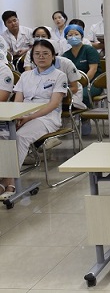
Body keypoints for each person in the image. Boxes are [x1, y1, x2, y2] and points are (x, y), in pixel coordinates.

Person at [0, 40, 68, 201]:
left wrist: (29, 117)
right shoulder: (25, 75)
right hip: (23, 115)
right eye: (37, 54)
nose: (41, 57)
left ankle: (9, 181)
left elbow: (53, 104)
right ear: (32, 57)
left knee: (20, 137)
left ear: (53, 56)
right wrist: (17, 116)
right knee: (3, 135)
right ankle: (4, 176)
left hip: (46, 118)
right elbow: (18, 101)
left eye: (45, 53)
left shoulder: (59, 76)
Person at [61, 24, 102, 108]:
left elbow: (93, 69)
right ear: (66, 38)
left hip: (93, 83)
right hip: (74, 84)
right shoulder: (66, 55)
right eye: (70, 35)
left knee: (84, 95)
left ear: (82, 36)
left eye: (76, 34)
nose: (73, 37)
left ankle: (85, 114)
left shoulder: (89, 50)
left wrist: (81, 84)